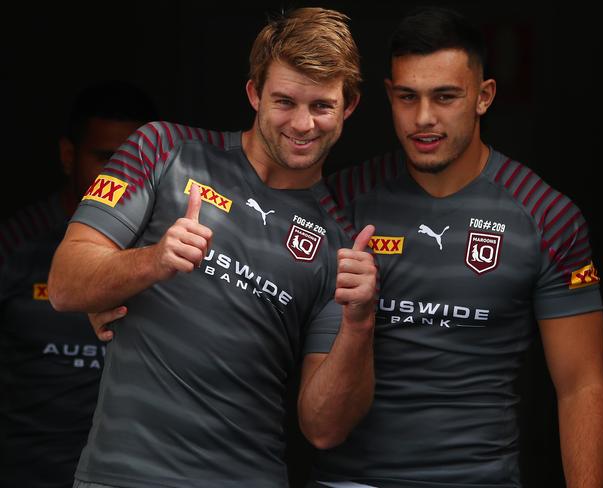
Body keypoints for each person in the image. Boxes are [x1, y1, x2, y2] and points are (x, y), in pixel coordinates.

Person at [47, 8, 377, 488]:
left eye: (322, 106)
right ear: (254, 94)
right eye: (284, 101)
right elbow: (63, 284)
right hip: (121, 475)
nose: (304, 124)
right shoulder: (163, 150)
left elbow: (324, 428)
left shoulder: (341, 244)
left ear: (349, 106)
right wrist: (154, 260)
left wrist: (361, 323)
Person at [310, 6, 603, 488]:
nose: (424, 118)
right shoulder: (340, 203)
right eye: (407, 97)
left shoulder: (548, 217)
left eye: (446, 96)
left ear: (484, 96)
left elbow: (582, 386)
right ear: (388, 95)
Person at [0, 80, 158, 488]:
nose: (121, 176)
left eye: (134, 162)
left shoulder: (173, 253)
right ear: (69, 156)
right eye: (107, 158)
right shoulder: (15, 245)